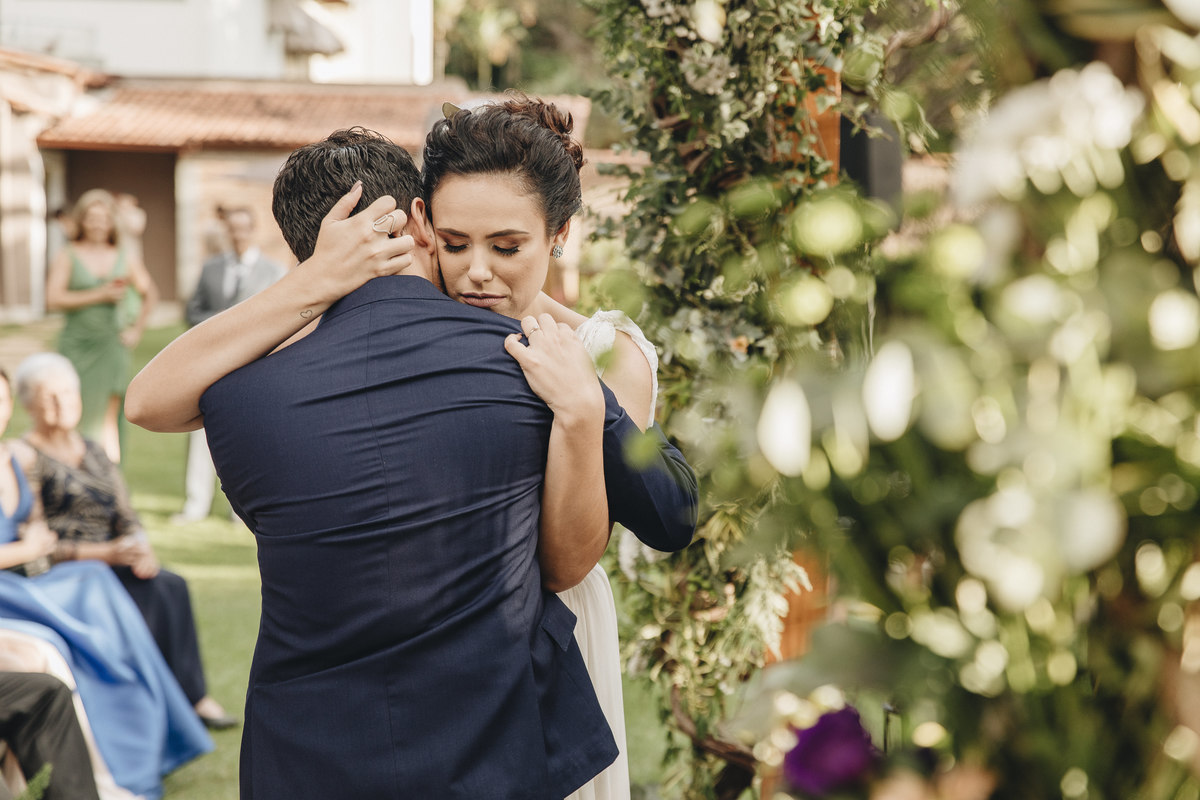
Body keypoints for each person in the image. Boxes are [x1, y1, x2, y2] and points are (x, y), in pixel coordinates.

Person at [125, 127, 697, 798]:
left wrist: (306, 287)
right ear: (423, 221)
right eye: (457, 245)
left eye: (504, 246)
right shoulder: (526, 365)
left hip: (303, 758)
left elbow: (149, 402)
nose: (477, 269)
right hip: (492, 748)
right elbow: (668, 513)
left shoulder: (236, 395)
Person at [0, 365, 212, 799]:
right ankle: (115, 762)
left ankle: (161, 723)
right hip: (31, 578)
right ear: (32, 406)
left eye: (0, 400)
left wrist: (136, 546)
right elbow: (37, 542)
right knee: (87, 606)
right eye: (49, 396)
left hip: (52, 570)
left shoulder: (20, 456)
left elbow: (40, 522)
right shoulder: (26, 453)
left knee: (150, 586)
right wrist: (34, 549)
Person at [174, 207, 286, 523]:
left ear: (254, 231)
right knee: (201, 433)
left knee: (249, 435)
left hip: (254, 366)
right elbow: (192, 312)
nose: (238, 235)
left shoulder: (274, 271)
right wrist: (221, 327)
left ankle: (243, 511)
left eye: (243, 229)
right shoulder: (210, 269)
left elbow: (279, 318)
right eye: (232, 229)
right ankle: (195, 505)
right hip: (210, 366)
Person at [46, 189, 159, 465]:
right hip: (77, 344)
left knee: (108, 416)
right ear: (82, 220)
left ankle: (107, 479)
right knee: (71, 411)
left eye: (104, 218)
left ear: (112, 222)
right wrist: (100, 295)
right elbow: (53, 299)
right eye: (92, 218)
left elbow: (150, 293)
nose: (98, 224)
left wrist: (136, 330)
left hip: (111, 346)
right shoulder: (68, 254)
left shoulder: (123, 255)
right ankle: (72, 472)